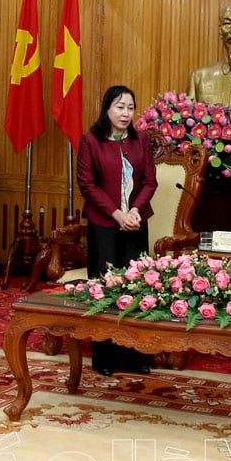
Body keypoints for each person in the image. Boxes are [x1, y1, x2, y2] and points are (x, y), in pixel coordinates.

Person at [77, 84, 158, 377]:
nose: (125, 113)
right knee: (106, 289)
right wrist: (117, 214)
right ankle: (104, 355)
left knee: (136, 288)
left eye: (130, 107)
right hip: (104, 225)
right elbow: (87, 184)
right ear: (107, 109)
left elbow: (150, 181)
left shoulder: (140, 141)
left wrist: (134, 211)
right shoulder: (91, 141)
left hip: (136, 223)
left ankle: (133, 355)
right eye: (119, 107)